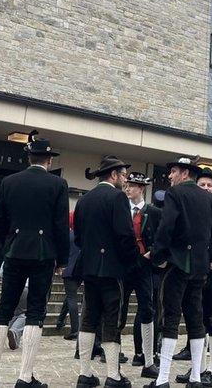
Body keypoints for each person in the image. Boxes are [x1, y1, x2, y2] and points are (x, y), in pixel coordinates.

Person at [0, 138, 70, 388]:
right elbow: (61, 225)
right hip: (43, 252)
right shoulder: (58, 184)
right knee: (35, 311)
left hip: (14, 250)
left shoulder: (9, 181)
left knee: (4, 309)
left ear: (29, 158)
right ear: (49, 160)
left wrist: (9, 242)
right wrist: (62, 259)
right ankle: (24, 376)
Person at [144, 156, 212, 388]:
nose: (170, 176)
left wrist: (157, 255)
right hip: (199, 266)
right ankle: (195, 378)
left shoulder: (174, 193)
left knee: (170, 318)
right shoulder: (207, 197)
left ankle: (162, 378)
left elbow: (166, 227)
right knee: (195, 320)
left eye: (173, 171)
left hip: (177, 264)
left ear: (184, 173)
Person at [73, 156, 139, 388]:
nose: (125, 180)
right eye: (123, 175)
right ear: (113, 175)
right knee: (112, 320)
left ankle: (85, 373)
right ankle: (113, 375)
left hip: (89, 267)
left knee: (89, 318)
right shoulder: (117, 197)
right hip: (112, 268)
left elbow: (78, 237)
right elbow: (125, 235)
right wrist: (132, 261)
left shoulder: (84, 199)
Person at [175, 168, 212, 387]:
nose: (206, 188)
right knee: (194, 320)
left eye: (210, 185)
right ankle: (198, 369)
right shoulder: (190, 208)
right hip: (192, 272)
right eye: (202, 184)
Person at [121, 172, 161, 377]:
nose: (128, 189)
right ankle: (115, 354)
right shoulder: (121, 209)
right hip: (123, 265)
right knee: (119, 307)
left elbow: (161, 236)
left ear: (142, 189)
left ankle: (148, 360)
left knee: (147, 308)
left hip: (144, 265)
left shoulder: (153, 212)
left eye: (132, 186)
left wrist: (151, 253)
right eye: (127, 185)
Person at [56, 212, 82, 341]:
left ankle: (75, 330)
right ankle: (60, 320)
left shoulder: (67, 235)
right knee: (70, 295)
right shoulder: (81, 235)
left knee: (72, 298)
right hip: (80, 270)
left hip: (68, 269)